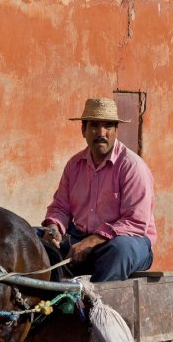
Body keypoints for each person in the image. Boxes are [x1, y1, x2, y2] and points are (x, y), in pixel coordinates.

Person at [40, 97, 157, 282]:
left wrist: (92, 241)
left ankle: (97, 308)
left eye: (108, 126)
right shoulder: (74, 165)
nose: (101, 133)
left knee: (120, 250)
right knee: (30, 238)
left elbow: (135, 222)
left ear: (116, 131)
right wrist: (54, 228)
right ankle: (48, 304)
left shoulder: (132, 166)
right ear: (83, 130)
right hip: (80, 239)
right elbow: (60, 207)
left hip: (128, 241)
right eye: (94, 125)